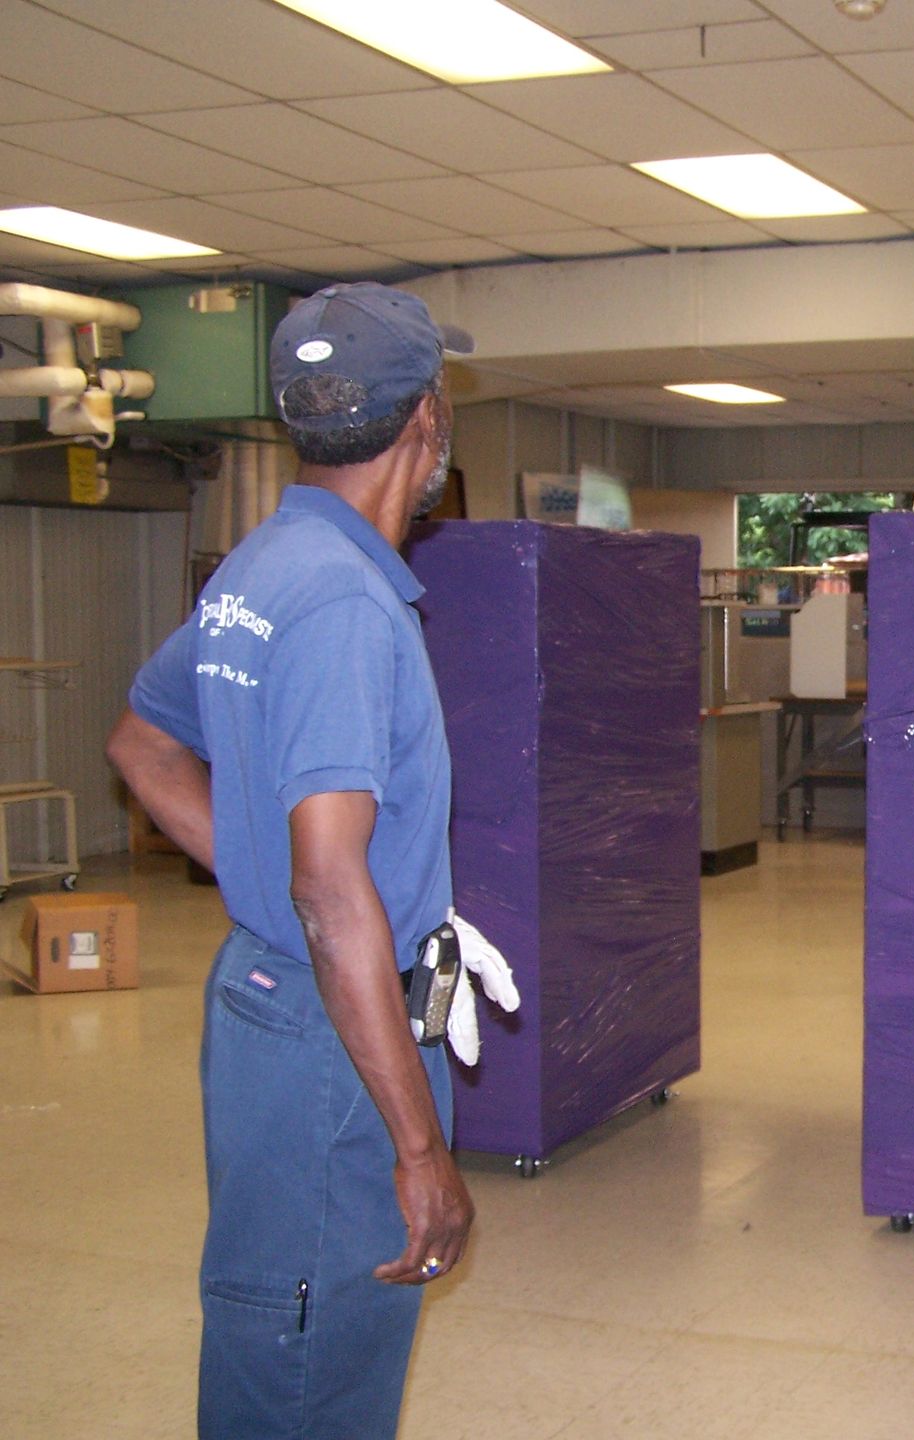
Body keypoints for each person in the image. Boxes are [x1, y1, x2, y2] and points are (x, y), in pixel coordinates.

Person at [108, 282, 481, 1439]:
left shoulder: (262, 569)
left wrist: (266, 878)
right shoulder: (344, 606)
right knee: (315, 1349)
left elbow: (143, 741)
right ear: (428, 417)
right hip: (334, 1041)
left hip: (281, 1001)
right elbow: (329, 885)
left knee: (283, 1325)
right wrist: (418, 1147)